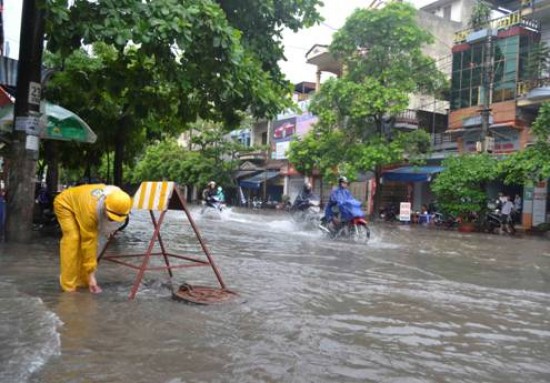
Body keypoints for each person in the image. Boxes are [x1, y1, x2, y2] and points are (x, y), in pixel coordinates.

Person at [53, 184, 132, 294]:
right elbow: (88, 242)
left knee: (90, 244)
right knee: (73, 239)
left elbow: (98, 239)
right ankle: (68, 286)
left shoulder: (120, 200)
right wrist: (92, 275)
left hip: (82, 203)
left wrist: (89, 278)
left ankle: (83, 281)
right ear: (105, 204)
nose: (111, 220)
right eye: (110, 217)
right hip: (65, 203)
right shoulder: (91, 210)